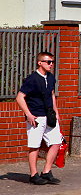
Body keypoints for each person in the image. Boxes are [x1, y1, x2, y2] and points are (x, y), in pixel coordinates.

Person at [15, 51, 62, 185]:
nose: (51, 64)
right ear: (40, 62)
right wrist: (28, 114)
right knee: (34, 146)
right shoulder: (32, 79)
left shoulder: (51, 78)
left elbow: (52, 95)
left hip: (49, 116)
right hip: (36, 116)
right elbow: (19, 98)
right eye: (48, 62)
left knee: (56, 142)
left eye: (52, 62)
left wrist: (56, 112)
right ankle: (33, 174)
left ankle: (46, 171)